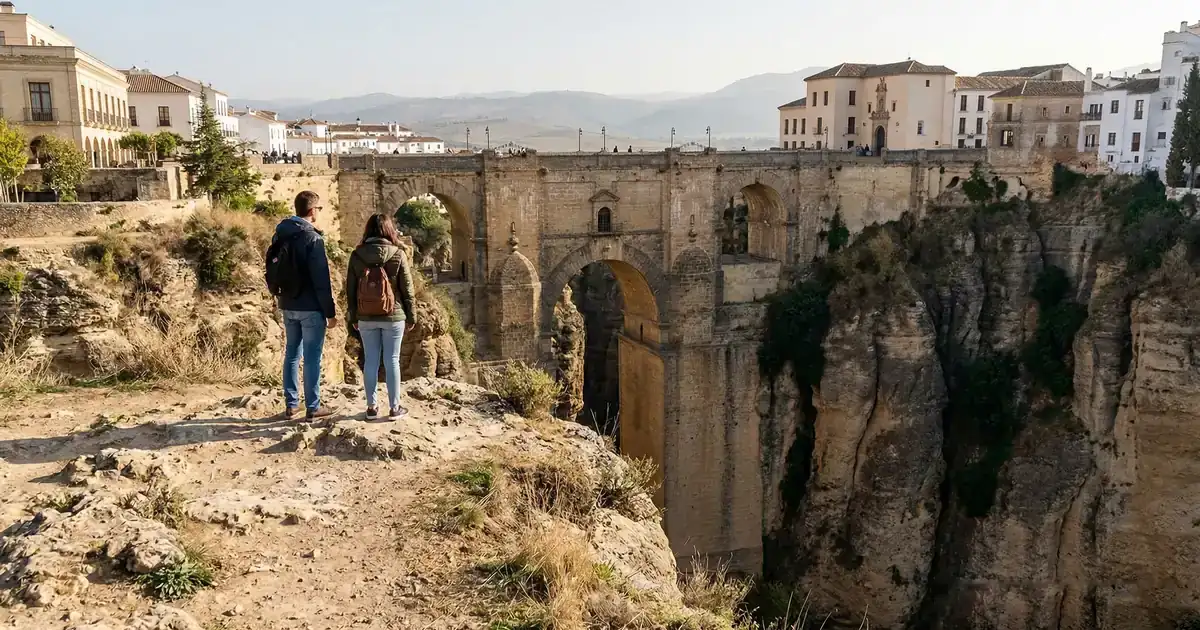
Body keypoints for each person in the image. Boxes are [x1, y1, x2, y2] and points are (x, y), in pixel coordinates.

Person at [272, 191, 337, 421]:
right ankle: (313, 406)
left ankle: (291, 405)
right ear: (312, 211)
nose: (318, 212)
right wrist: (330, 312)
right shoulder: (313, 238)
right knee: (311, 358)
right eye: (318, 209)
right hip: (310, 307)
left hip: (288, 303)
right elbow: (322, 280)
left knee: (291, 354)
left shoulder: (281, 232)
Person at [346, 213, 416, 419]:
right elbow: (407, 290)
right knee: (392, 359)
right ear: (389, 230)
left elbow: (350, 290)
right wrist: (411, 317)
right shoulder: (398, 254)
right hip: (394, 315)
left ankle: (371, 408)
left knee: (371, 361)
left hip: (366, 316)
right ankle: (395, 408)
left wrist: (353, 318)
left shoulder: (357, 255)